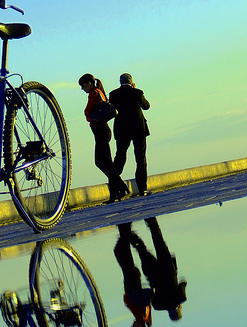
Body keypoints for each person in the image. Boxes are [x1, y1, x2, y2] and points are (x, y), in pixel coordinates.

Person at [79, 73, 129, 203]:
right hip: (102, 130)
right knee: (105, 163)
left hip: (100, 130)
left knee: (102, 162)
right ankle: (117, 191)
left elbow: (87, 111)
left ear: (89, 83)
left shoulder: (94, 93)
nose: (82, 89)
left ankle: (120, 187)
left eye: (83, 85)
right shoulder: (100, 91)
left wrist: (88, 115)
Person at [131, 217, 187, 321]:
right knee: (141, 249)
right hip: (153, 274)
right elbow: (152, 296)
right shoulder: (158, 306)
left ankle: (151, 219)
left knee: (159, 241)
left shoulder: (181, 298)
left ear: (179, 310)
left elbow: (183, 283)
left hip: (168, 269)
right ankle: (127, 231)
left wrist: (179, 302)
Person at [109, 73, 151, 196]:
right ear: (131, 81)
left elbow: (111, 108)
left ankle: (114, 189)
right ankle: (142, 189)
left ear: (120, 82)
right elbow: (146, 106)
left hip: (122, 129)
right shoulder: (137, 92)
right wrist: (135, 89)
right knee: (140, 158)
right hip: (138, 129)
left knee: (120, 157)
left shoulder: (113, 94)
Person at [114, 223, 153, 327]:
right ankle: (125, 227)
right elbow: (134, 299)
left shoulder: (142, 316)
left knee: (121, 251)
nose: (132, 325)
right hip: (132, 280)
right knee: (121, 251)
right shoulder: (142, 316)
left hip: (131, 279)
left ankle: (125, 228)